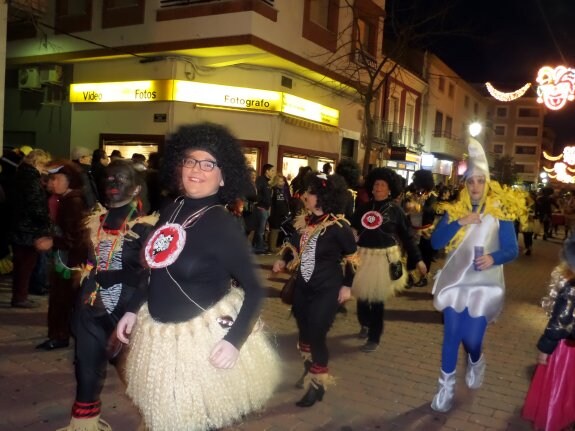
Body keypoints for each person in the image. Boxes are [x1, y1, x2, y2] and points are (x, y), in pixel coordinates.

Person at [116, 123, 281, 431]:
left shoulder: (223, 225)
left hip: (199, 342)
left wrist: (234, 341)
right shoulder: (171, 208)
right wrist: (132, 307)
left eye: (208, 164)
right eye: (191, 160)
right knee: (160, 417)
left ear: (223, 177)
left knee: (190, 421)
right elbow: (154, 265)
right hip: (158, 338)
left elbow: (256, 290)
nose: (196, 169)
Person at [57, 160, 157, 431]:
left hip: (127, 314)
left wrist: (126, 293)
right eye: (109, 179)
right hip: (90, 310)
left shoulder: (146, 226)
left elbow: (152, 274)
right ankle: (84, 425)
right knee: (86, 372)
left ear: (136, 188)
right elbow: (90, 262)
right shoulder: (94, 220)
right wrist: (80, 275)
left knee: (138, 379)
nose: (113, 184)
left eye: (121, 179)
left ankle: (156, 423)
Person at [429, 139, 524, 412]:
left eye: (480, 181)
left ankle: (476, 359)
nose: (475, 187)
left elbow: (512, 249)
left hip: (484, 285)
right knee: (451, 335)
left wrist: (494, 257)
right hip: (456, 283)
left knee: (472, 339)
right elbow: (435, 244)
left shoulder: (499, 213)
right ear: (465, 184)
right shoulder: (455, 211)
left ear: (488, 183)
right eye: (471, 182)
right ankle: (445, 388)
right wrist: (459, 222)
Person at [272, 172, 358, 408]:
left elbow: (353, 258)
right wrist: (283, 260)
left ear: (322, 197)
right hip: (303, 287)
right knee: (304, 333)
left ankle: (317, 385)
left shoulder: (339, 227)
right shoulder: (304, 222)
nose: (304, 196)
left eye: (309, 193)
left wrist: (347, 286)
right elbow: (292, 247)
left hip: (327, 289)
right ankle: (310, 369)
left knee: (317, 333)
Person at [351, 167, 426, 352]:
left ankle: (374, 338)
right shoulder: (363, 208)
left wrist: (418, 260)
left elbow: (407, 237)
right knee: (361, 297)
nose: (378, 187)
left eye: (382, 185)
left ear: (390, 188)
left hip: (383, 259)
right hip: (363, 257)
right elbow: (351, 230)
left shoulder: (396, 211)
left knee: (377, 300)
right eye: (376, 184)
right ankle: (365, 323)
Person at [522, 234, 575, 431]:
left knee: (561, 389)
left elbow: (561, 320)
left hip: (568, 349)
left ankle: (556, 420)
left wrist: (545, 348)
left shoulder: (571, 287)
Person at [36, 161, 90, 350]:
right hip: (69, 258)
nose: (52, 183)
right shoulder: (68, 199)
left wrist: (53, 242)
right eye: (51, 179)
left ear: (70, 180)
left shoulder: (72, 202)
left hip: (70, 261)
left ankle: (59, 336)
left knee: (62, 298)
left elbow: (74, 236)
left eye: (56, 179)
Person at [9, 149, 52, 308]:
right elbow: (35, 206)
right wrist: (46, 222)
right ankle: (20, 297)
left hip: (19, 226)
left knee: (21, 264)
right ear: (38, 163)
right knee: (26, 265)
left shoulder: (19, 176)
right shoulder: (31, 180)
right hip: (28, 229)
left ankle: (20, 295)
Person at [404, 169, 437, 287]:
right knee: (411, 253)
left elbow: (432, 210)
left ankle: (424, 277)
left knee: (425, 254)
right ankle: (410, 277)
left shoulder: (431, 196)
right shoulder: (410, 193)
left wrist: (419, 207)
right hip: (413, 228)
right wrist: (407, 206)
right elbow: (405, 206)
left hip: (426, 230)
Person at [254, 163, 275, 254]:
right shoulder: (260, 180)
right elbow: (258, 193)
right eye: (272, 170)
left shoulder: (268, 182)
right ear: (267, 171)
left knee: (263, 230)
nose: (273, 173)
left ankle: (260, 246)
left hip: (266, 208)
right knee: (260, 230)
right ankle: (259, 248)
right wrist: (261, 204)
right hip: (261, 208)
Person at [268, 174, 290, 252]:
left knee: (277, 230)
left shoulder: (283, 190)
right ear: (276, 182)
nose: (283, 182)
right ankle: (272, 247)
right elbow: (270, 202)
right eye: (280, 181)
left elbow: (285, 202)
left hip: (282, 213)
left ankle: (274, 246)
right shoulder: (273, 190)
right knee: (274, 230)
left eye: (283, 181)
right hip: (275, 213)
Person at [71, 146, 98, 211]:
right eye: (88, 156)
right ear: (81, 159)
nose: (91, 158)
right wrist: (93, 209)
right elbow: (88, 193)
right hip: (85, 210)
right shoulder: (82, 173)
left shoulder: (80, 171)